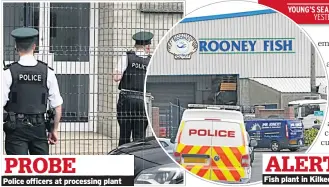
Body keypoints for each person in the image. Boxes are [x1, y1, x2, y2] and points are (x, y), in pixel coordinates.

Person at [3, 27, 63, 155]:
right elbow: (57, 106)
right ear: (34, 47)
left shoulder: (8, 73)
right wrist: (54, 130)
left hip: (15, 128)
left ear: (16, 47)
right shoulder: (48, 72)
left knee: (18, 170)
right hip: (39, 128)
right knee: (41, 170)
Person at [114, 31, 154, 146]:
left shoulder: (127, 56)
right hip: (143, 100)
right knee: (140, 135)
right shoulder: (150, 60)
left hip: (127, 99)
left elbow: (116, 77)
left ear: (136, 45)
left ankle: (122, 157)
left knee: (124, 133)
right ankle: (137, 159)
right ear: (148, 46)